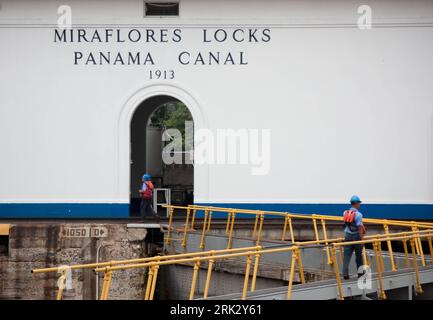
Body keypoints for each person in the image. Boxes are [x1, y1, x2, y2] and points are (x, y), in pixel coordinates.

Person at [342, 195, 366, 279]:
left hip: (347, 235)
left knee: (346, 256)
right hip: (356, 236)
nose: (359, 204)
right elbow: (359, 227)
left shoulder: (345, 212)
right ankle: (360, 273)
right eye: (359, 203)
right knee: (359, 256)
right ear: (356, 203)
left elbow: (346, 223)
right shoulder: (358, 214)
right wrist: (361, 239)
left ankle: (345, 274)